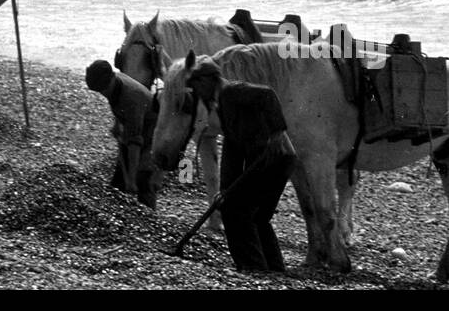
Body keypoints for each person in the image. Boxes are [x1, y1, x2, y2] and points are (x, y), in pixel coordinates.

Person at [185, 55, 296, 273]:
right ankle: (273, 267)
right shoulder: (222, 104)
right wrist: (224, 189)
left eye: (196, 86)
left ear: (207, 81)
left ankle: (252, 266)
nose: (196, 93)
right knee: (255, 215)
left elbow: (268, 95)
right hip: (272, 161)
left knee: (237, 211)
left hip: (275, 157)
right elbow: (233, 148)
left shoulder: (232, 91)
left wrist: (277, 131)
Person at [84, 59, 160, 208]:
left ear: (111, 78)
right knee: (118, 183)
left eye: (104, 89)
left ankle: (149, 215)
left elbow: (134, 143)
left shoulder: (132, 98)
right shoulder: (113, 82)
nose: (103, 93)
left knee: (142, 178)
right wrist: (117, 124)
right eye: (99, 90)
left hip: (152, 132)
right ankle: (116, 211)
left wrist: (131, 179)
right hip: (133, 126)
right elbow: (119, 106)